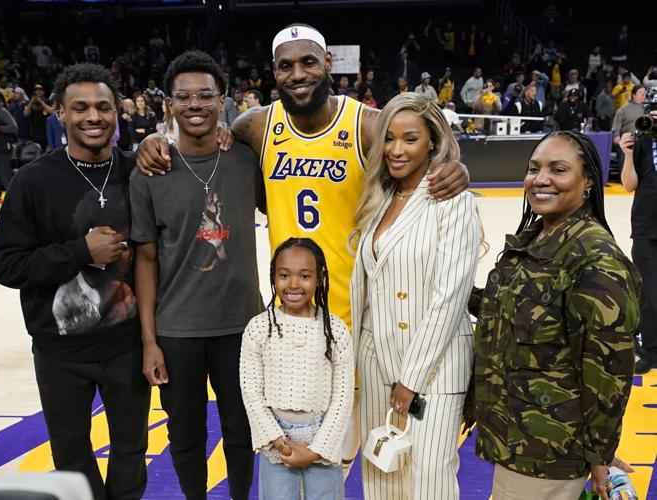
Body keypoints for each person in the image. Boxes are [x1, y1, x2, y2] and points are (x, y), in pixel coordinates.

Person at [136, 23, 468, 475]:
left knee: (353, 458)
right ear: (273, 72)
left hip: (362, 317)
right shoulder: (253, 127)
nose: (298, 74)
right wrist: (154, 142)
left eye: (308, 62)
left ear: (328, 64)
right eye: (286, 66)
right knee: (293, 458)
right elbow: (220, 166)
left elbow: (422, 142)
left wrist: (455, 168)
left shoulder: (366, 125)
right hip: (290, 320)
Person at [0, 63, 150, 500]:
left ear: (117, 112)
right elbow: (6, 264)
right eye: (80, 108)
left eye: (102, 107)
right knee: (72, 457)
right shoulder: (33, 181)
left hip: (127, 344)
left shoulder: (137, 170)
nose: (92, 117)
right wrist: (81, 252)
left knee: (132, 451)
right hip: (61, 351)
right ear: (60, 112)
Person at [472, 131, 640, 500]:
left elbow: (609, 371)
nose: (541, 179)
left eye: (558, 169)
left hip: (548, 454)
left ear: (588, 182)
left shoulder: (595, 260)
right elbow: (502, 311)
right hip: (516, 441)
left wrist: (600, 453)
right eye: (534, 168)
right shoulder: (535, 240)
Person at [130, 50, 262, 500]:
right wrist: (149, 341)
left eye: (205, 95)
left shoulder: (247, 158)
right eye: (183, 96)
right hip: (178, 330)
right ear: (168, 103)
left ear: (222, 100)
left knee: (242, 432)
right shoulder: (150, 170)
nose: (195, 105)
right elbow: (144, 260)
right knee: (185, 436)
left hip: (244, 327)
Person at [349, 93, 479, 499]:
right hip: (377, 361)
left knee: (430, 480)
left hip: (434, 368)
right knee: (382, 477)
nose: (396, 150)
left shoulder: (452, 199)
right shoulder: (379, 197)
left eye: (409, 139)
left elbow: (450, 297)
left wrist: (411, 380)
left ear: (433, 143)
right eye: (388, 138)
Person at [240, 238, 354, 500]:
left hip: (321, 439)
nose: (293, 284)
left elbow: (342, 397)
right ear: (273, 277)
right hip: (277, 444)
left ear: (319, 278)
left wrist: (316, 450)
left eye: (304, 276)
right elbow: (252, 393)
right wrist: (279, 442)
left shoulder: (334, 330)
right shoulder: (259, 329)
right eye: (284, 275)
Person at [619, 98, 657, 374]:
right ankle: (651, 351)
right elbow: (629, 184)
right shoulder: (642, 143)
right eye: (652, 115)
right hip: (646, 227)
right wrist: (628, 153)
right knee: (649, 293)